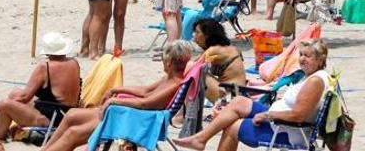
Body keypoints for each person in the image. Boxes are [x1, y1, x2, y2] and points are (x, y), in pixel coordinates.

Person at [173, 39, 331, 151]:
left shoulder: (314, 81)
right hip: (281, 121)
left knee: (232, 127)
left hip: (288, 131)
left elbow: (298, 115)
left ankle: (200, 140)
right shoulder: (313, 76)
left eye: (307, 56)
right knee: (239, 101)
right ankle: (201, 139)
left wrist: (266, 115)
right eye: (301, 55)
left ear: (320, 60)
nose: (302, 59)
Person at [41, 41, 193, 151]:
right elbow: (145, 91)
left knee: (73, 133)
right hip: (128, 113)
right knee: (72, 114)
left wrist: (115, 100)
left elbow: (145, 104)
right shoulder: (168, 79)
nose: (163, 63)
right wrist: (115, 89)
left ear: (170, 62)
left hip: (135, 119)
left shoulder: (173, 84)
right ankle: (46, 149)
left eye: (164, 60)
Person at [0, 32, 80, 139]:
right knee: (14, 93)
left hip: (50, 119)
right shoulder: (74, 63)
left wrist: (10, 107)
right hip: (66, 113)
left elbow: (24, 97)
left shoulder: (45, 67)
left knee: (4, 104)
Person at [188, 19, 246, 102]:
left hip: (230, 95)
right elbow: (198, 60)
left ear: (207, 35)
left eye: (197, 32)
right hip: (237, 91)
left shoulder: (214, 50)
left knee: (194, 71)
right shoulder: (223, 48)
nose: (194, 36)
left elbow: (193, 64)